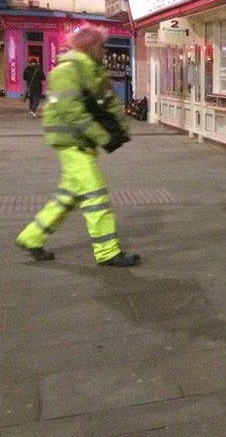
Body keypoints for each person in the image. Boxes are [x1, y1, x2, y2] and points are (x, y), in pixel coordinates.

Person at [15, 26, 139, 267]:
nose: (105, 50)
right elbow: (72, 111)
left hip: (81, 142)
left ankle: (31, 237)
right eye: (102, 46)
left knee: (67, 197)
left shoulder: (93, 70)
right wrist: (104, 136)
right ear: (91, 46)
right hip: (71, 142)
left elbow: (108, 102)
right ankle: (107, 251)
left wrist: (120, 129)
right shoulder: (68, 70)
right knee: (96, 195)